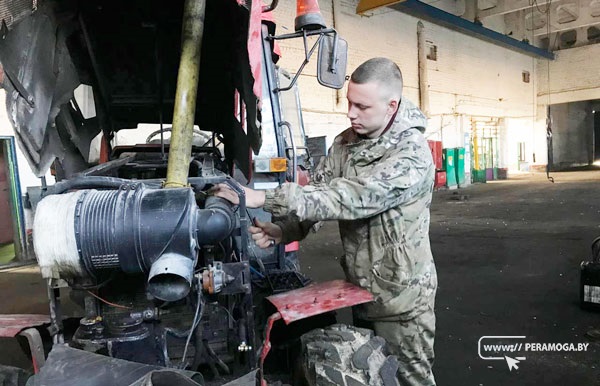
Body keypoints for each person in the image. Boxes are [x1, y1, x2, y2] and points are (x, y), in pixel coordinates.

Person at [214, 57, 437, 385]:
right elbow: (319, 191)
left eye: (362, 106)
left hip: (402, 300)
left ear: (392, 105)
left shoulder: (411, 154)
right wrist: (285, 229)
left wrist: (261, 198)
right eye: (349, 102)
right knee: (370, 375)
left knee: (408, 379)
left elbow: (352, 197)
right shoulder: (346, 143)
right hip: (362, 289)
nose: (350, 113)